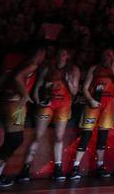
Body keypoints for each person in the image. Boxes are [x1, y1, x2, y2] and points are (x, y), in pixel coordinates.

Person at [0, 45, 46, 187]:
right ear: (40, 53)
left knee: (12, 139)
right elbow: (18, 78)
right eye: (44, 53)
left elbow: (1, 80)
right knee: (15, 139)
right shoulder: (32, 65)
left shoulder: (23, 64)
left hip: (10, 103)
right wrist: (25, 95)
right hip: (15, 105)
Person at [19, 46, 79, 182]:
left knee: (59, 137)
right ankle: (25, 169)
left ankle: (58, 169)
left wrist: (69, 82)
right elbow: (37, 87)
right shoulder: (48, 68)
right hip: (48, 105)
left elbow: (75, 92)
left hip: (63, 106)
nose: (61, 56)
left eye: (63, 54)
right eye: (59, 54)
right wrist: (39, 102)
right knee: (38, 136)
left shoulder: (73, 69)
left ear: (67, 56)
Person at [72, 48, 114, 179]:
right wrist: (91, 100)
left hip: (109, 103)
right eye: (105, 54)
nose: (107, 57)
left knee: (103, 135)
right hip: (94, 102)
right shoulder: (94, 68)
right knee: (86, 134)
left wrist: (112, 68)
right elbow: (84, 88)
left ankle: (100, 166)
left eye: (110, 55)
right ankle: (75, 167)